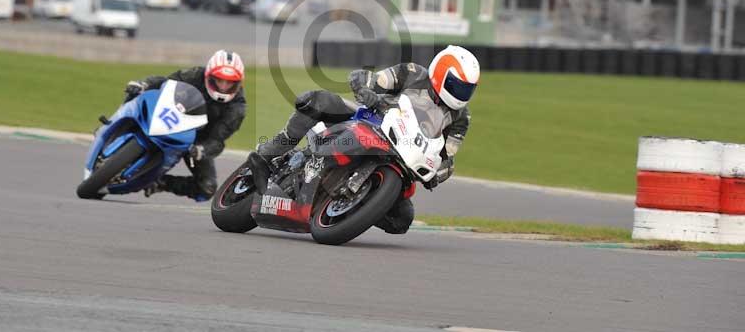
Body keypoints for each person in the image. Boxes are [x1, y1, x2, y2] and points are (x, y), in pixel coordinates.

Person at [247, 45, 480, 234]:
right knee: (318, 101)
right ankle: (268, 154)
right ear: (440, 74)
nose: (461, 94)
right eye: (457, 86)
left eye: (467, 89)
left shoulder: (461, 117)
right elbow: (373, 79)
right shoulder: (413, 73)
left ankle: (353, 208)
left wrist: (439, 172)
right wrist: (366, 89)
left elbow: (448, 154)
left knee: (402, 220)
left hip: (404, 157)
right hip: (372, 122)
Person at [124, 50, 247, 201]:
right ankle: (117, 126)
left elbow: (217, 140)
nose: (223, 86)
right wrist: (144, 84)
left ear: (238, 83)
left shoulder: (237, 109)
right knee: (135, 91)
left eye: (230, 82)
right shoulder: (196, 74)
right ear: (209, 75)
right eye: (219, 80)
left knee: (207, 188)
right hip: (172, 117)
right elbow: (166, 83)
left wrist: (202, 150)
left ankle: (160, 183)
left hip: (194, 142)